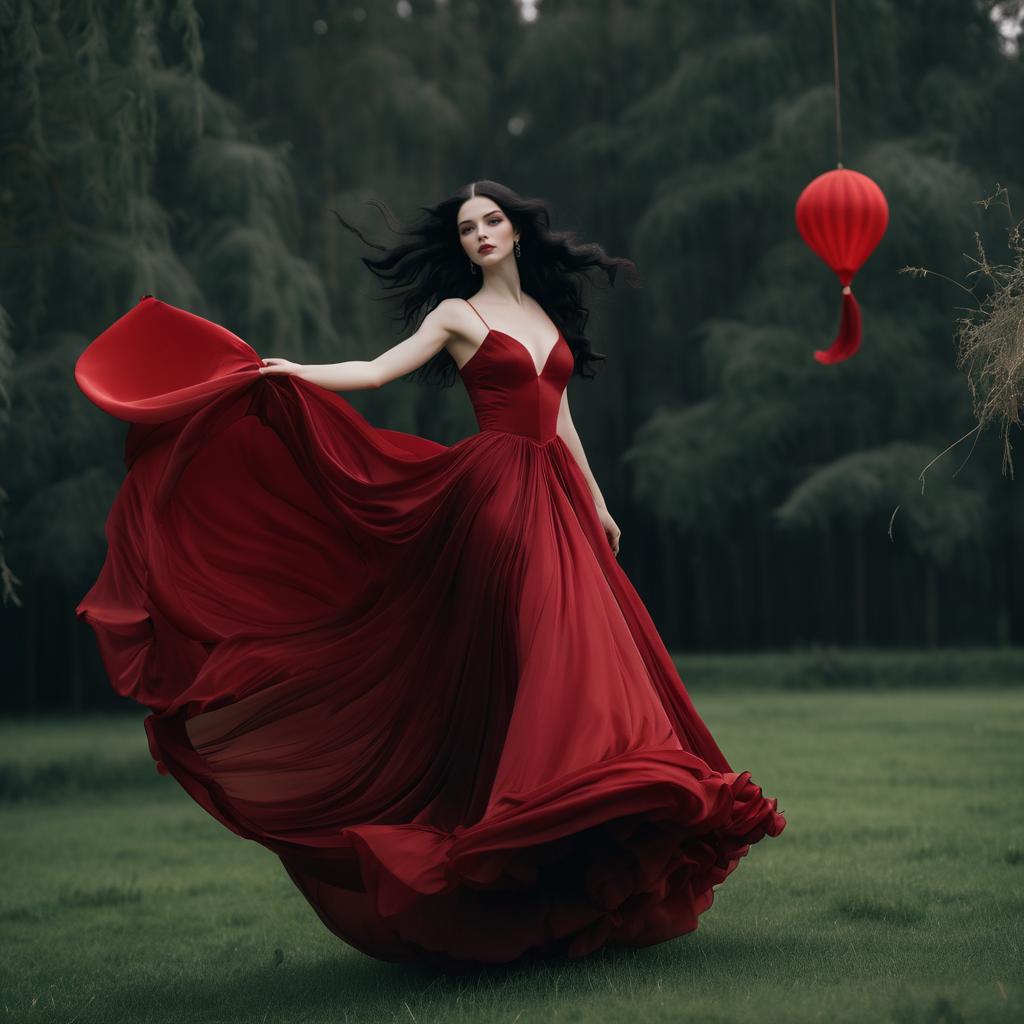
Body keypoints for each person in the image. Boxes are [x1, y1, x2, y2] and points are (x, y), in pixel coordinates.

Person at [74, 180, 786, 974]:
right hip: (497, 498)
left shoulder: (544, 318)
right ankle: (549, 819)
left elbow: (561, 415)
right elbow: (379, 373)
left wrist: (599, 499)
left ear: (516, 231)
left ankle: (576, 835)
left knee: (580, 652)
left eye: (491, 221)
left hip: (555, 493)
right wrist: (292, 372)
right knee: (555, 643)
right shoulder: (457, 314)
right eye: (467, 228)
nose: (480, 234)